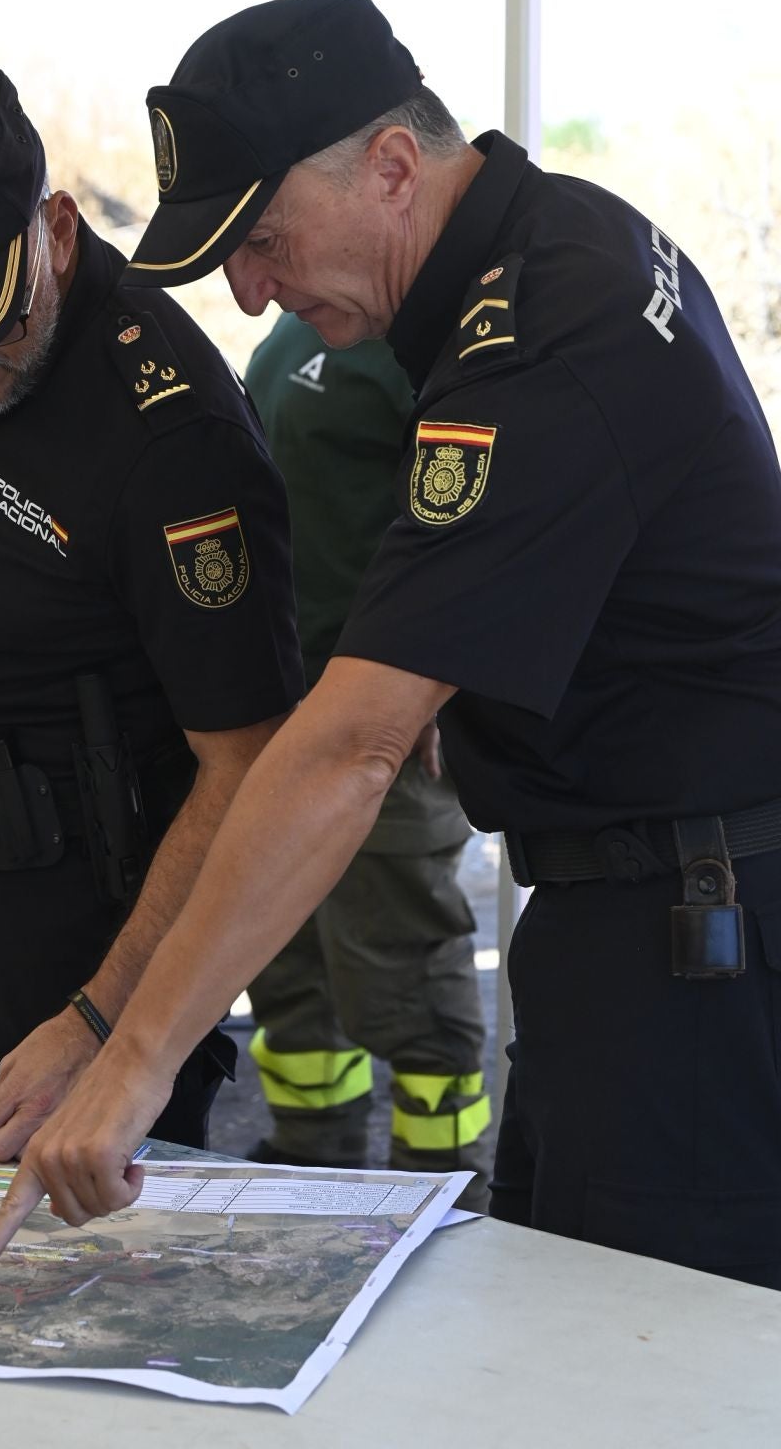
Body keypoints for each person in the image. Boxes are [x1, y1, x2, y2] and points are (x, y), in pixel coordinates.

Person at [0, 0, 781, 1292]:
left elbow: (352, 742)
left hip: (694, 928)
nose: (250, 294)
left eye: (264, 238)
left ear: (393, 167)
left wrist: (132, 1059)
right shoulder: (550, 249)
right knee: (561, 1305)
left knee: (635, 1359)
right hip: (648, 904)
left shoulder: (538, 330)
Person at [0, 55, 304, 1155]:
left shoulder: (169, 434)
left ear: (53, 225)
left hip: (91, 927)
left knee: (81, 1291)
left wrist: (102, 1020)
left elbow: (245, 767)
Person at [243, 317, 490, 1189]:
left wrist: (435, 676)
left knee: (402, 964)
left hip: (383, 723)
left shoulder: (430, 347)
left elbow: (471, 532)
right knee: (286, 958)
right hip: (280, 711)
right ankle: (313, 1155)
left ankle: (441, 1175)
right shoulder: (300, 319)